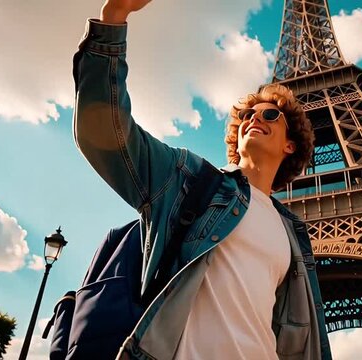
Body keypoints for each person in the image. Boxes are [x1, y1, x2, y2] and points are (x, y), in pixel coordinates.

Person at [73, 0, 332, 359]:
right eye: (247, 117)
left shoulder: (292, 235)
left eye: (270, 115)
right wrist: (113, 19)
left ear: (291, 144)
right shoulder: (190, 182)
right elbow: (104, 132)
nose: (254, 120)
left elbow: (300, 342)